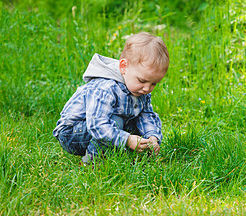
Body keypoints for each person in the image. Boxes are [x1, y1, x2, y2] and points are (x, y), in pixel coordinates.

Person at [53, 32, 169, 164]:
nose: (147, 89)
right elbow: (97, 125)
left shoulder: (139, 89)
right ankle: (92, 163)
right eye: (142, 80)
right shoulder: (106, 87)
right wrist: (127, 139)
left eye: (153, 83)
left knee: (135, 121)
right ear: (124, 67)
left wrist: (152, 136)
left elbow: (146, 115)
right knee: (116, 121)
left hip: (101, 128)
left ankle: (130, 155)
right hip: (73, 133)